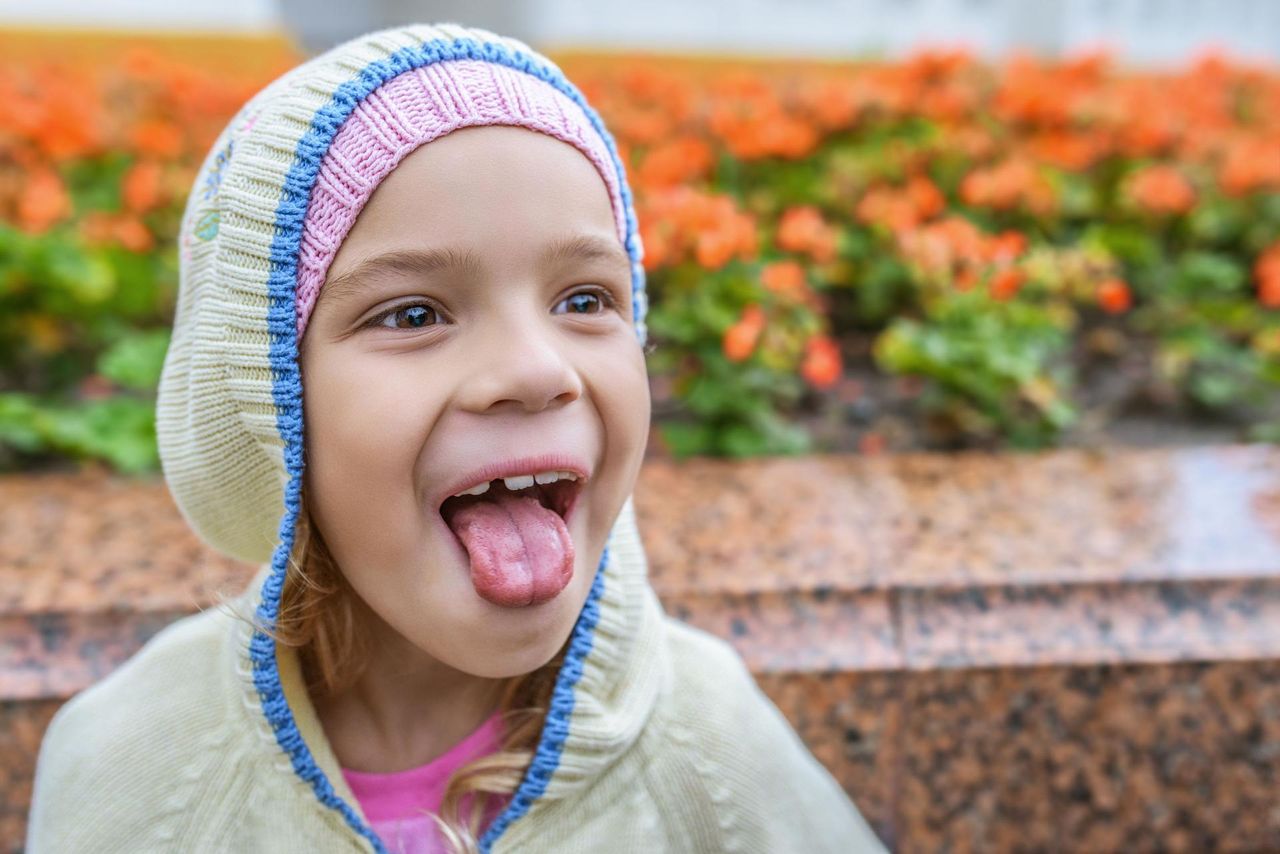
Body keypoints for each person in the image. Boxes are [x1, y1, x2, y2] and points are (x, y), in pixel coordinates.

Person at [26, 22, 886, 854]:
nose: (534, 368)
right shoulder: (137, 769)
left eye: (585, 300)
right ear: (270, 401)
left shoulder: (717, 762)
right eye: (413, 314)